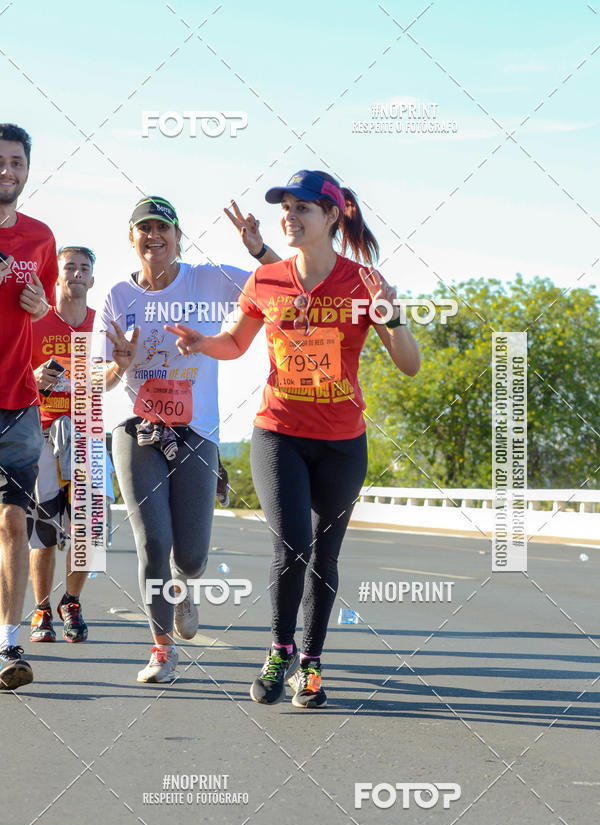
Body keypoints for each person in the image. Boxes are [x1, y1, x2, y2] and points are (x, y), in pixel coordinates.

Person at [166, 169, 421, 708]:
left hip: (342, 441)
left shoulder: (363, 283)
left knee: (325, 554)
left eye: (302, 207)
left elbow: (410, 366)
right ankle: (279, 651)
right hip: (278, 431)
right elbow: (235, 343)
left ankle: (312, 664)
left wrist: (393, 316)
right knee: (291, 544)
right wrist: (201, 342)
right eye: (285, 206)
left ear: (332, 216)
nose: (290, 215)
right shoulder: (267, 280)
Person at [94, 195, 278, 683]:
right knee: (153, 541)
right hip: (136, 428)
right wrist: (121, 365)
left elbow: (285, 290)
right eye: (144, 228)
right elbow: (99, 381)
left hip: (197, 430)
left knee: (190, 556)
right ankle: (161, 649)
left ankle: (184, 584)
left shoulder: (209, 280)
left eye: (163, 228)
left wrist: (259, 250)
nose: (153, 236)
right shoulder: (117, 295)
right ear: (130, 238)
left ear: (178, 236)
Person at [28, 245, 114, 644]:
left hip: (90, 435)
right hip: (44, 434)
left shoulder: (102, 326)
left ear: (92, 279)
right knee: (43, 529)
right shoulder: (35, 320)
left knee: (90, 531)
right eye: (69, 268)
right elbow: (13, 373)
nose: (77, 274)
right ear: (57, 276)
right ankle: (42, 609)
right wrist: (35, 377)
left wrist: (122, 365)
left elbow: (113, 379)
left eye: (84, 268)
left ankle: (72, 601)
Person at [0, 123, 57, 690]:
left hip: (19, 400)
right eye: (0, 161)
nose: (7, 171)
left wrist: (40, 304)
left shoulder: (41, 238)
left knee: (13, 520)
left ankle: (8, 647)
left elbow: (39, 311)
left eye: (15, 162)